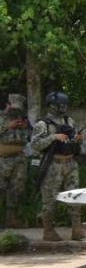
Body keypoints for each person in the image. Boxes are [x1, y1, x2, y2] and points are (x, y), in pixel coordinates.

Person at [30, 91, 84, 241]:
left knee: (75, 196)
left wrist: (78, 139)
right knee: (49, 199)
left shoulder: (69, 121)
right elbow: (35, 145)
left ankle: (77, 229)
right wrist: (53, 137)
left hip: (70, 163)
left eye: (65, 105)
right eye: (61, 105)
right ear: (52, 106)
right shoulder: (43, 124)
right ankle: (48, 231)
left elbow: (75, 140)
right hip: (53, 164)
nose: (63, 108)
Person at [0, 94, 31, 228]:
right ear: (7, 105)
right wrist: (8, 126)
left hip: (19, 158)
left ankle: (11, 219)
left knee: (16, 188)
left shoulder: (23, 119)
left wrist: (25, 127)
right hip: (2, 158)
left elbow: (32, 136)